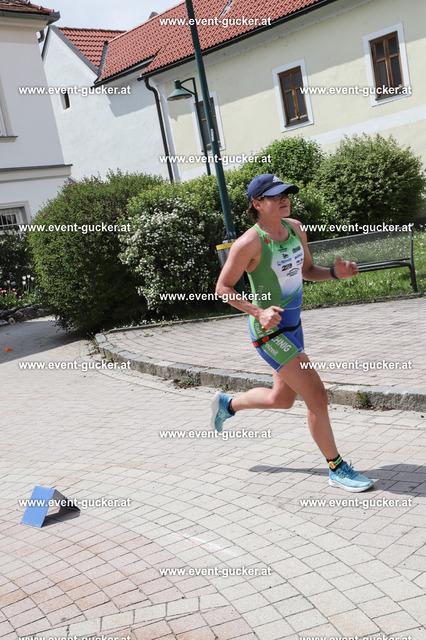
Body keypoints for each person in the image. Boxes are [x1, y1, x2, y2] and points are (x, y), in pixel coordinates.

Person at [211, 173, 374, 492]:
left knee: (282, 399)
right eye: (275, 196)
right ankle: (337, 467)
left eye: (286, 193)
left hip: (294, 328)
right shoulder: (249, 243)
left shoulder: (296, 228)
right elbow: (223, 288)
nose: (284, 199)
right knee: (317, 395)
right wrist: (259, 312)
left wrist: (334, 273)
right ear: (257, 203)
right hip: (269, 332)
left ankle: (227, 405)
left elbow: (307, 271)